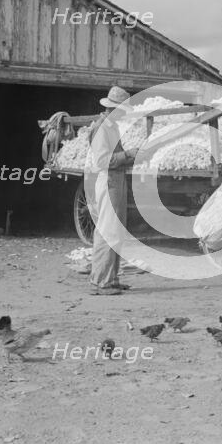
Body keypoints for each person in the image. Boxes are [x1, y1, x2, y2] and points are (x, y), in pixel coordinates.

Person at [87, 86, 138, 295]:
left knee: (115, 231)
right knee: (108, 231)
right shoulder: (102, 128)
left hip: (115, 180)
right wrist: (129, 155)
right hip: (108, 181)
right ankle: (101, 282)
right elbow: (101, 161)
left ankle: (112, 278)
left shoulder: (111, 127)